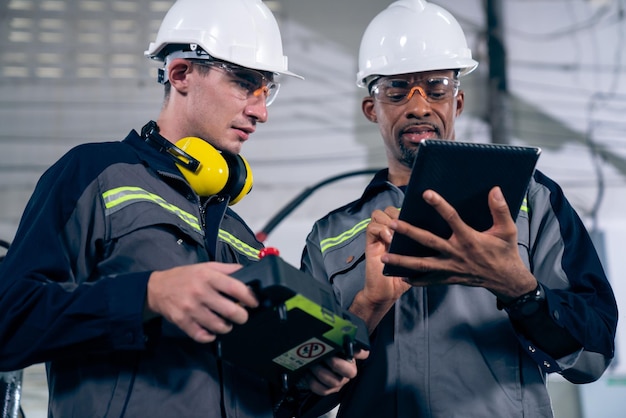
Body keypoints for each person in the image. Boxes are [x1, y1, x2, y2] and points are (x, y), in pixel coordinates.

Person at [0, 1, 366, 417]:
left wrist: (310, 383)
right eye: (245, 83)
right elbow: (9, 320)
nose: (261, 112)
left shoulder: (239, 234)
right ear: (181, 73)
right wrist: (149, 294)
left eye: (268, 91)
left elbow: (269, 400)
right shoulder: (95, 174)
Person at [300, 1, 618, 417]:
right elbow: (299, 395)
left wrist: (520, 290)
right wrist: (366, 309)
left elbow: (593, 355)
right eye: (396, 90)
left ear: (458, 102)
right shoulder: (330, 237)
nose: (418, 106)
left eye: (436, 88)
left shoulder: (530, 200)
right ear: (370, 109)